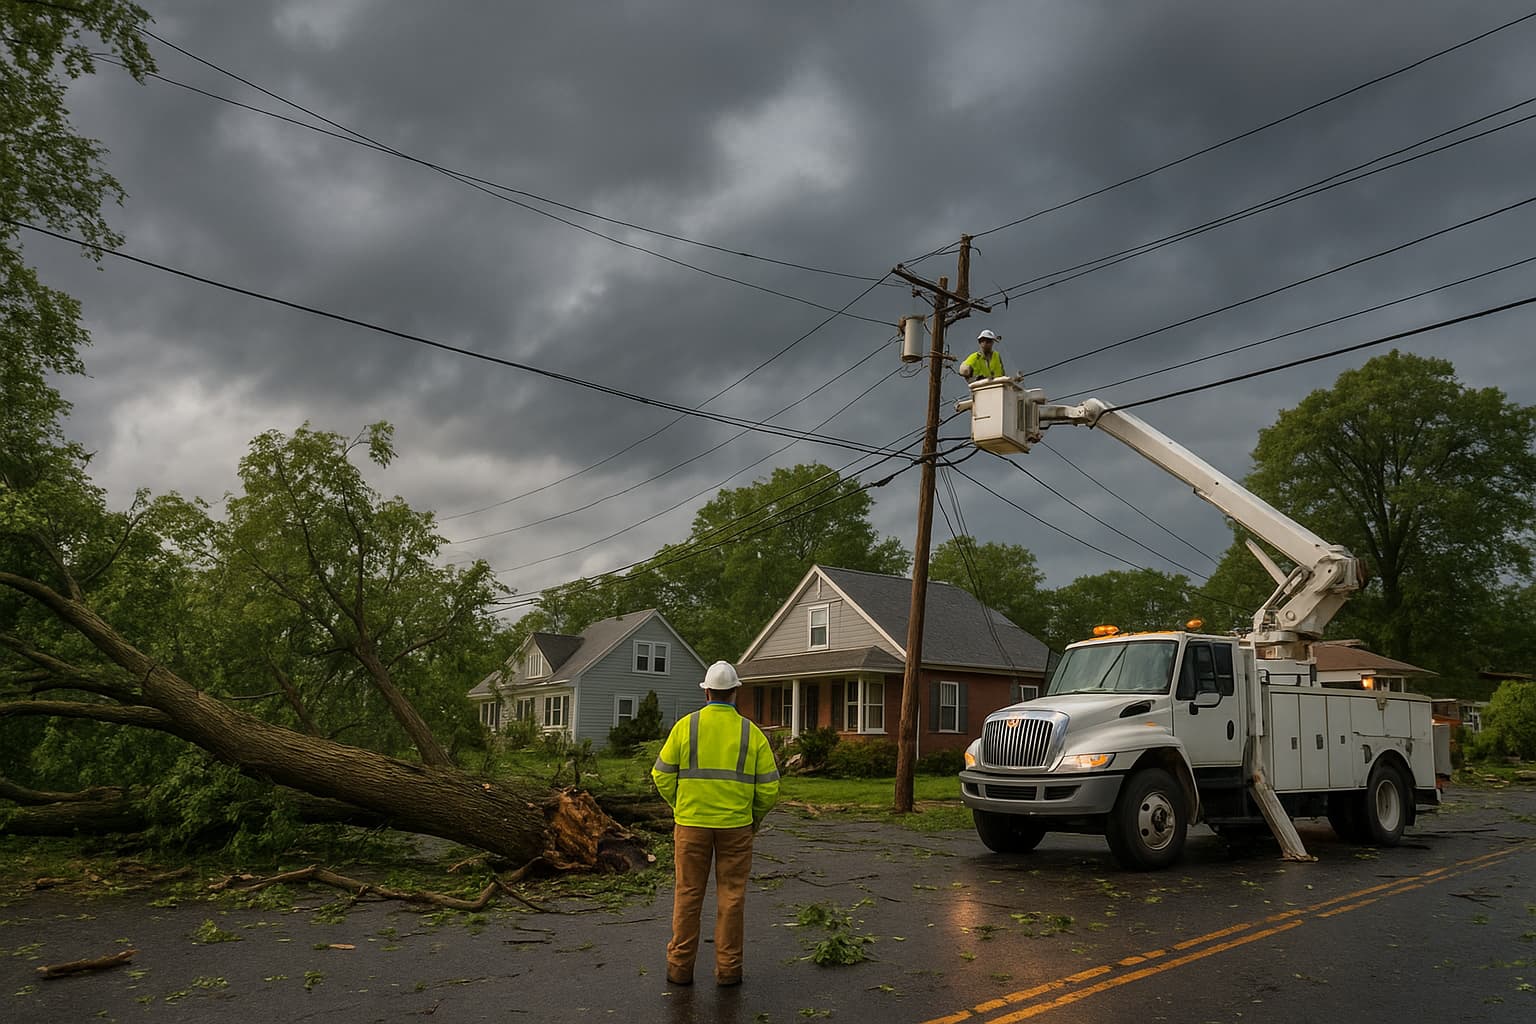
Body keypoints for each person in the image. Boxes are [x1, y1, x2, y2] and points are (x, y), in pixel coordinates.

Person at [651, 661, 780, 987]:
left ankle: (679, 968)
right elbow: (769, 788)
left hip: (691, 824)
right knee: (732, 897)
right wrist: (754, 817)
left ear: (706, 691)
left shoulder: (686, 726)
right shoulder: (752, 733)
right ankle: (729, 970)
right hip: (736, 827)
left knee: (688, 895)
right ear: (736, 692)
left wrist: (681, 807)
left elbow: (661, 774)